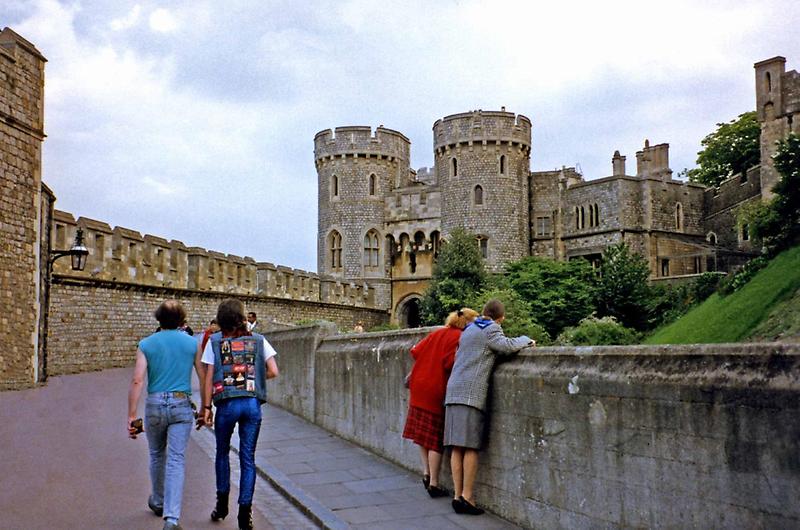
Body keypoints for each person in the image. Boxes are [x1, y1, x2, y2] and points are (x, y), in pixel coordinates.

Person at [444, 299, 534, 516]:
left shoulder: (468, 328)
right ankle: (467, 497)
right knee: (471, 447)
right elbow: (506, 347)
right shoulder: (491, 329)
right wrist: (526, 340)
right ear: (500, 318)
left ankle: (457, 496)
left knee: (456, 447)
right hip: (470, 394)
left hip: (454, 390)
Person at [201, 299, 279, 530]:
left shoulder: (215, 341)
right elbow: (274, 370)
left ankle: (222, 505)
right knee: (248, 458)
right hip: (251, 404)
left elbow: (208, 377)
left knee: (222, 453)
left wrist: (206, 409)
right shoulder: (259, 340)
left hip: (226, 405)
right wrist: (254, 380)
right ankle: (245, 514)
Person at [128, 300, 205, 530]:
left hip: (155, 403)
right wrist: (205, 408)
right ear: (182, 320)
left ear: (158, 319)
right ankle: (171, 518)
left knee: (156, 454)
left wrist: (131, 415)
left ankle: (158, 500)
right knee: (176, 459)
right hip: (181, 403)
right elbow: (202, 375)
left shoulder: (146, 344)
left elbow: (138, 380)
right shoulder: (191, 344)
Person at [402, 308, 478, 498]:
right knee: (435, 438)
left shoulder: (437, 332)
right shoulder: (458, 338)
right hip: (435, 388)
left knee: (422, 436)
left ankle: (426, 473)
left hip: (419, 385)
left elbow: (415, 351)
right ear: (467, 323)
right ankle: (434, 484)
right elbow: (450, 363)